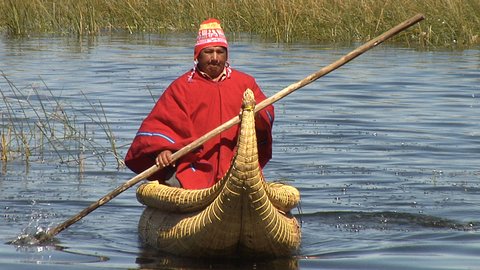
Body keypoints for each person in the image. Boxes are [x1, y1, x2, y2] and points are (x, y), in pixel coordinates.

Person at [125, 18, 274, 189]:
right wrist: (164, 150)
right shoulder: (182, 87)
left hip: (236, 166)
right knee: (174, 185)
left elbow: (267, 112)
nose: (215, 58)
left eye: (220, 52)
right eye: (209, 52)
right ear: (197, 55)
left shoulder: (245, 83)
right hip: (193, 168)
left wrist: (255, 114)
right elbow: (161, 124)